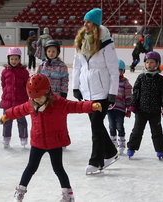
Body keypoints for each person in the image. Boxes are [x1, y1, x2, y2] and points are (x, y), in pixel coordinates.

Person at [0, 73, 102, 202]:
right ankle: (20, 192)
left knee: (58, 168)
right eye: (34, 98)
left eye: (40, 97)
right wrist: (7, 115)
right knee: (31, 167)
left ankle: (68, 195)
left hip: (55, 142)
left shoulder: (59, 103)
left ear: (47, 92)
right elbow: (18, 110)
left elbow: (76, 106)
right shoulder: (31, 104)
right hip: (38, 142)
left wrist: (91, 106)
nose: (37, 100)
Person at [72, 8, 119, 174]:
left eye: (89, 21)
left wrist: (113, 92)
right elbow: (77, 66)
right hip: (86, 91)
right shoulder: (80, 41)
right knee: (97, 125)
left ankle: (96, 161)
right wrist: (76, 86)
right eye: (85, 21)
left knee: (95, 127)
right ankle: (111, 153)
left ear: (96, 24)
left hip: (102, 92)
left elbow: (113, 70)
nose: (85, 24)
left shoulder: (106, 43)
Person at [126, 51, 163, 159]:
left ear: (157, 64)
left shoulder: (160, 79)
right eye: (147, 62)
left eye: (152, 62)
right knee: (137, 131)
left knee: (157, 131)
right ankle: (131, 148)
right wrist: (133, 105)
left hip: (155, 111)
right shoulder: (141, 77)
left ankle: (160, 150)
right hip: (141, 110)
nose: (149, 64)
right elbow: (135, 92)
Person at [0, 47, 30, 148]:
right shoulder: (5, 72)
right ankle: (6, 138)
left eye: (16, 59)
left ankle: (23, 137)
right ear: (8, 59)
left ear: (19, 59)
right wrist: (6, 94)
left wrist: (26, 98)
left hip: (20, 101)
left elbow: (27, 86)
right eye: (12, 59)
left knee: (21, 120)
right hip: (7, 101)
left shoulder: (24, 72)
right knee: (7, 121)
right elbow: (3, 85)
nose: (14, 61)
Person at [107, 59, 132, 155]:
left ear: (123, 71)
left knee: (119, 126)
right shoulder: (108, 81)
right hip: (110, 108)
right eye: (116, 69)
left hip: (120, 109)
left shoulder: (125, 83)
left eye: (120, 70)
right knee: (111, 126)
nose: (118, 72)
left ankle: (121, 144)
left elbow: (129, 97)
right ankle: (113, 144)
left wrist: (128, 109)